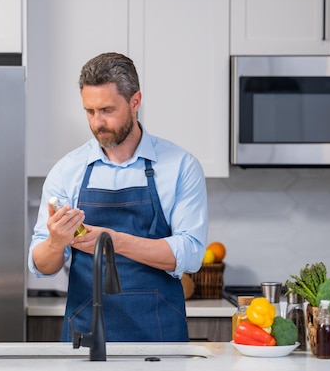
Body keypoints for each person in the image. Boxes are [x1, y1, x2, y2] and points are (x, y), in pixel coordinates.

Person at [28, 52, 208, 342]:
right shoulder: (67, 170)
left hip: (159, 338)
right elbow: (42, 266)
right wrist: (54, 242)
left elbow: (191, 254)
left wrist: (113, 241)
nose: (97, 122)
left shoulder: (179, 166)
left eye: (107, 110)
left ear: (135, 101)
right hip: (85, 339)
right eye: (89, 111)